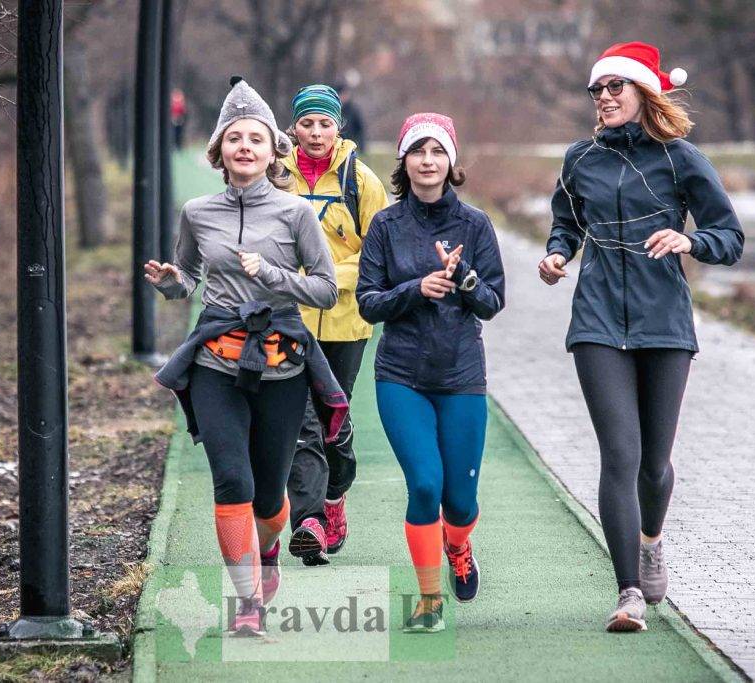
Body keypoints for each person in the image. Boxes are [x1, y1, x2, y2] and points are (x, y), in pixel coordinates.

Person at [537, 42, 744, 632]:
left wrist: (689, 241)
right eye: (596, 90)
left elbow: (729, 236)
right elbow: (565, 223)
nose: (603, 98)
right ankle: (628, 591)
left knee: (654, 465)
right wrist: (556, 255)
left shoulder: (680, 159)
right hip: (597, 321)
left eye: (614, 88)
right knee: (620, 456)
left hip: (665, 324)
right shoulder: (580, 159)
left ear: (642, 92)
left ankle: (651, 540)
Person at [147, 77, 346, 637]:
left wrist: (274, 275)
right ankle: (247, 603)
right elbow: (188, 277)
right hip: (216, 361)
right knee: (231, 481)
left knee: (269, 499)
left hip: (282, 363)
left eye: (255, 139)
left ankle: (269, 549)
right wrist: (171, 283)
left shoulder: (295, 213)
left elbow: (327, 290)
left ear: (273, 150)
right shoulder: (197, 212)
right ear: (219, 150)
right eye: (234, 138)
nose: (244, 147)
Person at [357, 113, 505, 632]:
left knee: (459, 503)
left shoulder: (476, 225)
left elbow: (493, 302)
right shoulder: (385, 226)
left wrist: (465, 279)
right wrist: (415, 289)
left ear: (451, 161)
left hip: (461, 375)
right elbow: (368, 302)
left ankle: (458, 546)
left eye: (437, 151)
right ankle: (428, 600)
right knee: (424, 485)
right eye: (418, 151)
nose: (427, 160)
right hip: (402, 376)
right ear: (404, 161)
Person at [281, 84, 389, 567]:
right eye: (307, 123)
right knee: (297, 421)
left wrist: (326, 279)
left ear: (338, 127)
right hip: (288, 320)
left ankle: (334, 497)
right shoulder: (276, 177)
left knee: (332, 420)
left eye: (325, 123)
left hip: (345, 321)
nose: (316, 132)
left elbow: (379, 254)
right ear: (294, 128)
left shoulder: (361, 181)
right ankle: (309, 523)